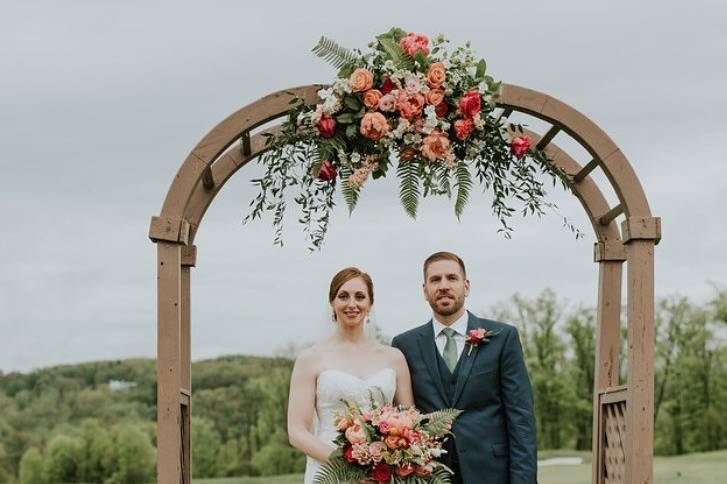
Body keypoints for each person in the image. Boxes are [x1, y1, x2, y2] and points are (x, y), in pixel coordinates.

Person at [392, 252, 537, 484]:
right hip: (429, 475)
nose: (444, 286)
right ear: (425, 290)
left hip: (492, 474)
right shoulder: (404, 346)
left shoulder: (503, 338)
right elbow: (403, 420)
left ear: (466, 286)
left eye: (452, 278)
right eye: (435, 280)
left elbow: (521, 419)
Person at [288, 267, 414, 484]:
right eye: (343, 296)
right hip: (330, 471)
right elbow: (297, 432)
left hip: (381, 475)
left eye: (360, 296)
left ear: (370, 304)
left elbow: (409, 424)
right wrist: (348, 467)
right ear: (332, 303)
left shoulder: (394, 358)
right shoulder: (310, 359)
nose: (352, 304)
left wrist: (384, 463)